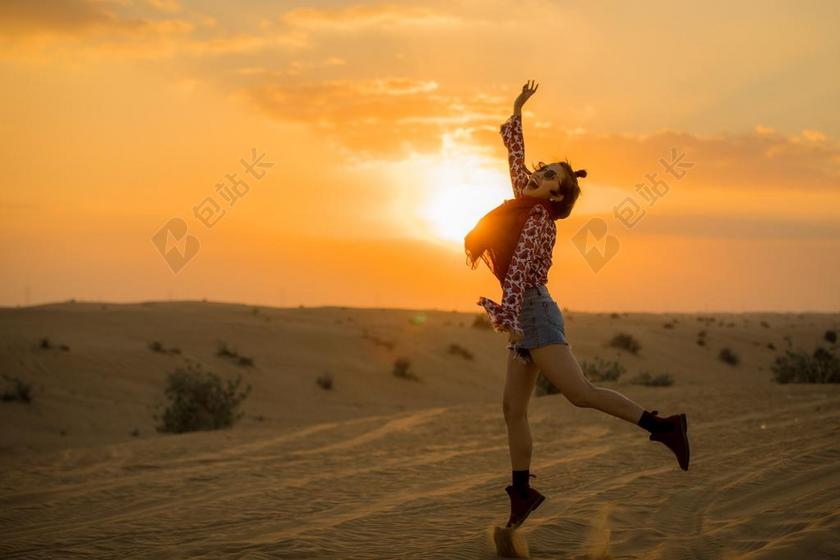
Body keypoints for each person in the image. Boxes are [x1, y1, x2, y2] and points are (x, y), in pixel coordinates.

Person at [464, 80, 690, 530]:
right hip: (522, 314)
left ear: (556, 196)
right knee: (512, 409)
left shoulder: (537, 220)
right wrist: (517, 110)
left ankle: (664, 427)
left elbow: (521, 270)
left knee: (580, 394)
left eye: (550, 178)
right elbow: (515, 160)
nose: (539, 175)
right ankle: (522, 493)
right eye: (543, 169)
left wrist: (509, 317)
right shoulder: (523, 201)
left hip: (531, 311)